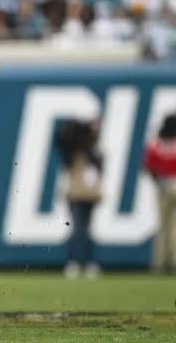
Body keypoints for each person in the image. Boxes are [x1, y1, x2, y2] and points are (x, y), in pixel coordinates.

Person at [56, 118, 103, 279]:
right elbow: (61, 142)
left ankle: (87, 262)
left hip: (89, 195)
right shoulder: (73, 152)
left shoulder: (94, 151)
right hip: (76, 194)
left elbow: (98, 165)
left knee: (86, 230)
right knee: (78, 230)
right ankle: (74, 262)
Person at [144, 112, 176, 275]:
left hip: (163, 185)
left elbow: (150, 167)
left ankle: (160, 262)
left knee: (163, 226)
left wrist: (158, 181)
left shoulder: (156, 143)